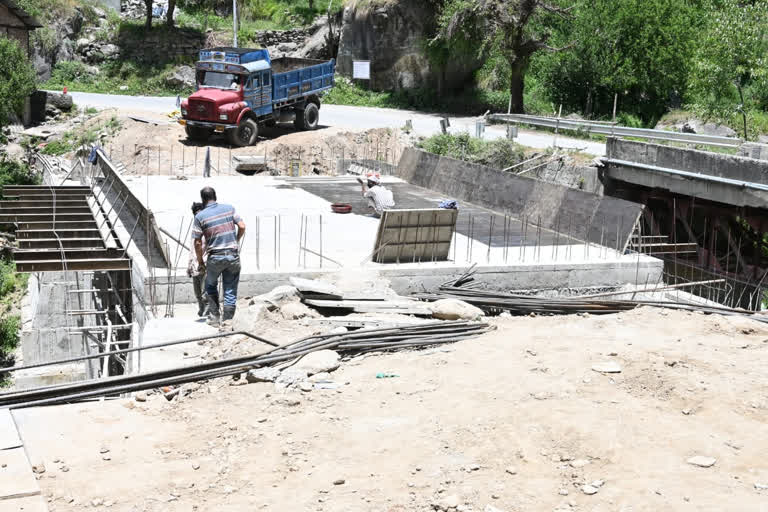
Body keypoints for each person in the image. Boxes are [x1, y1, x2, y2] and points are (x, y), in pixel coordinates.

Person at [192, 186, 246, 329]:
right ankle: (228, 321)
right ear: (215, 196)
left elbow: (197, 242)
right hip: (232, 256)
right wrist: (236, 240)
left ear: (203, 199)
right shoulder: (229, 208)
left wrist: (200, 262)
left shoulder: (200, 216)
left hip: (215, 257)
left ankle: (215, 318)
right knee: (230, 289)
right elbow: (242, 226)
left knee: (210, 286)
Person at [187, 202, 208, 318]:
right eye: (196, 215)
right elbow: (192, 251)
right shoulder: (195, 230)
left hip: (205, 265)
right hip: (195, 266)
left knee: (206, 292)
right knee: (198, 293)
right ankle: (202, 310)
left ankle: (209, 313)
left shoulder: (208, 229)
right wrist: (189, 266)